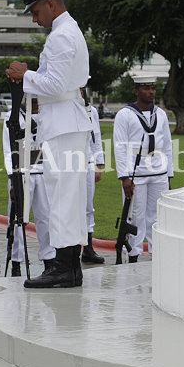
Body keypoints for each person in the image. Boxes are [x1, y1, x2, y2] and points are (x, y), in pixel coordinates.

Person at [6, 0, 91, 288]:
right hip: (66, 121)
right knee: (68, 196)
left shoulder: (61, 36)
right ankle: (70, 266)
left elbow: (55, 85)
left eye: (36, 11)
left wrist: (24, 75)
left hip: (63, 123)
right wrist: (30, 77)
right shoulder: (69, 31)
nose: (34, 19)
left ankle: (63, 267)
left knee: (62, 197)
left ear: (52, 5)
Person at [112, 75, 173, 262]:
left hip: (159, 171)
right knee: (136, 216)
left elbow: (167, 145)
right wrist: (124, 177)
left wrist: (169, 174)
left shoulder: (160, 114)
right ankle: (133, 254)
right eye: (146, 88)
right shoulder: (125, 114)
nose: (151, 92)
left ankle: (157, 253)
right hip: (135, 172)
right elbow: (120, 146)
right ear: (136, 91)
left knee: (157, 216)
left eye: (153, 88)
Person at [3, 97, 52, 277]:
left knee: (46, 219)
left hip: (44, 172)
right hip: (22, 173)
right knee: (19, 220)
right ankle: (16, 261)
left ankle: (49, 258)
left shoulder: (48, 113)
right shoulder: (13, 115)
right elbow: (8, 149)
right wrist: (13, 176)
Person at [81, 86, 105, 264]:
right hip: (68, 164)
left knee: (88, 207)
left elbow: (96, 137)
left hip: (88, 162)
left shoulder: (91, 111)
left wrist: (98, 164)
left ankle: (88, 248)